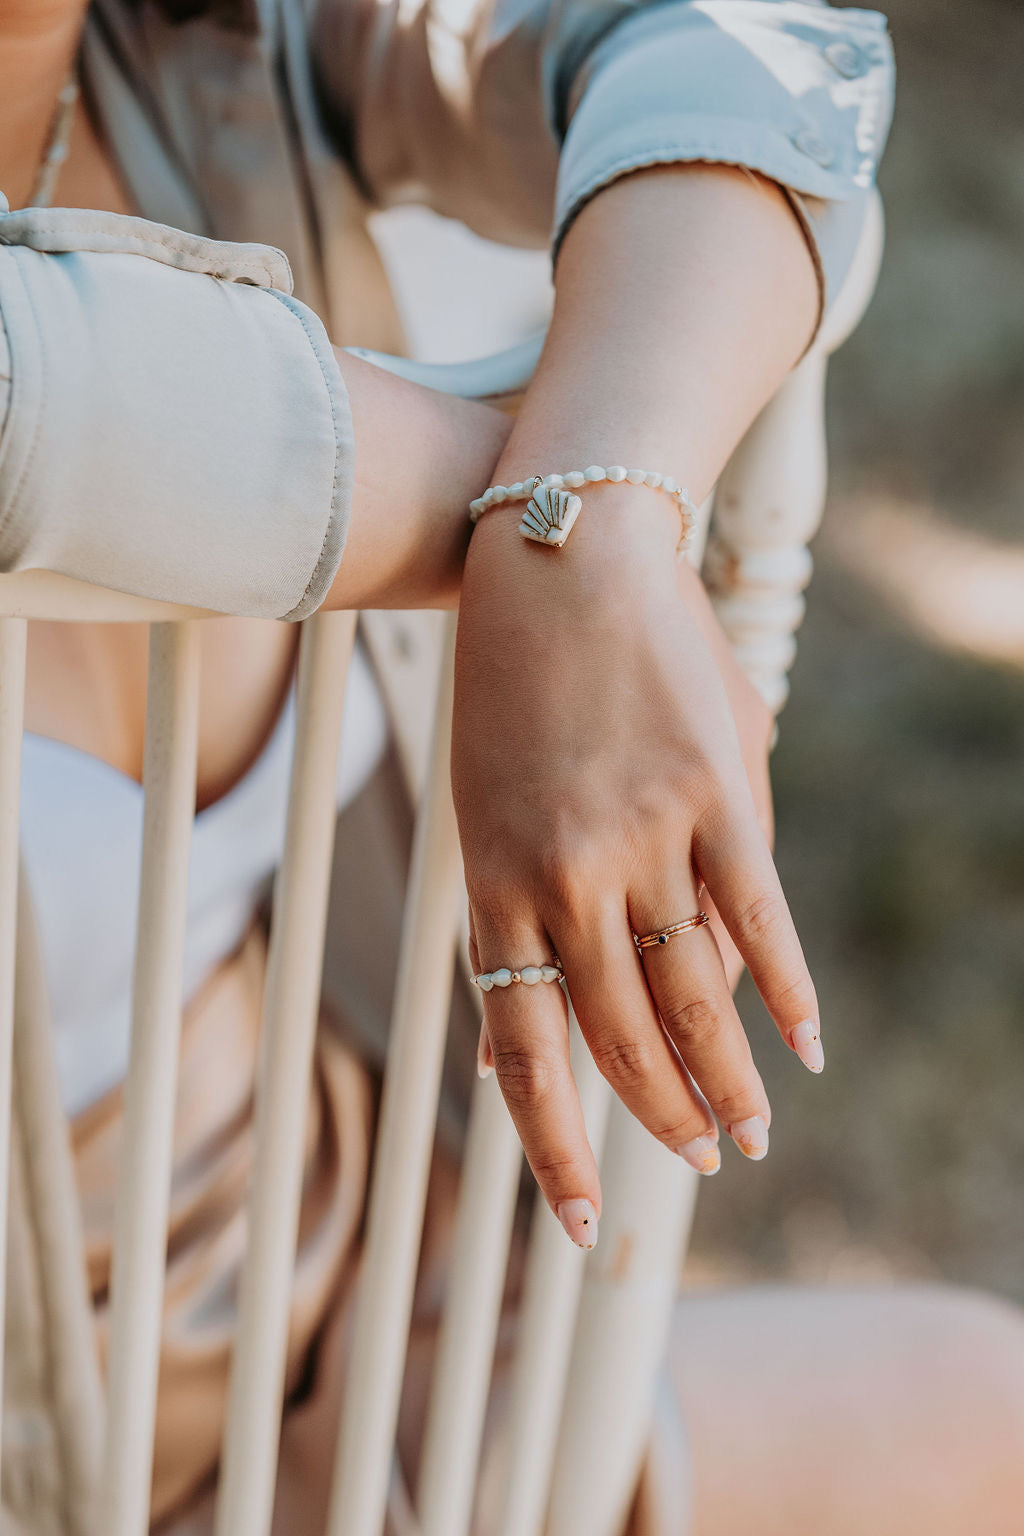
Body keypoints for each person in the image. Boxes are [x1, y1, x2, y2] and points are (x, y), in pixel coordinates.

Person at [2, 1, 1024, 1533]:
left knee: (984, 1410)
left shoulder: (196, 55)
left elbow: (761, 52)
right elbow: (64, 415)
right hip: (70, 1465)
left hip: (368, 1306)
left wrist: (596, 512)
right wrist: (537, 521)